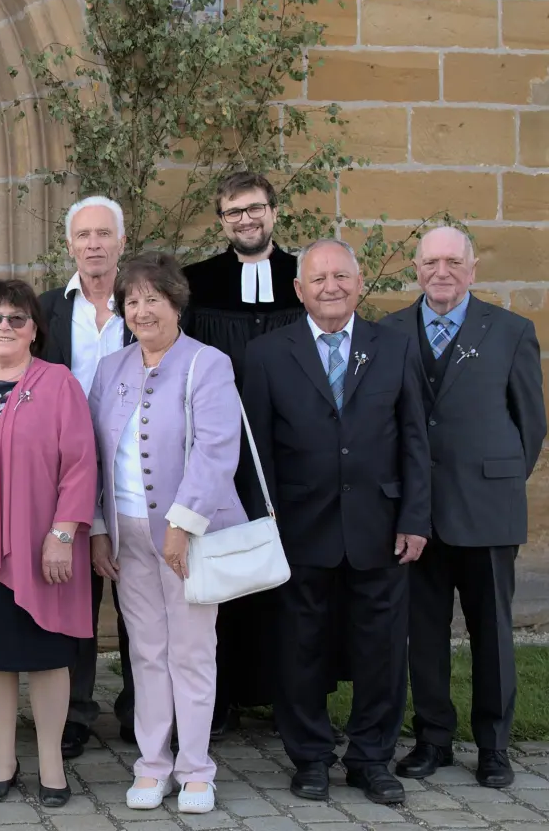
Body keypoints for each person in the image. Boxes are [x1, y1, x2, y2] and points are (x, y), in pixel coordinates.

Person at [241, 238, 431, 805]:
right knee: (301, 647)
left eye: (341, 277)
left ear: (358, 282)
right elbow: (256, 452)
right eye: (318, 278)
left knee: (381, 650)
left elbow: (416, 440)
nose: (330, 287)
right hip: (299, 527)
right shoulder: (268, 354)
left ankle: (372, 758)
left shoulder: (394, 347)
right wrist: (262, 522)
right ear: (298, 290)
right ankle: (311, 757)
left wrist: (415, 516)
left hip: (380, 525)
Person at [384, 227, 546, 789]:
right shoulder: (390, 333)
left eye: (454, 261)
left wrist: (494, 483)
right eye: (431, 262)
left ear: (473, 269)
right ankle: (433, 739)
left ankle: (494, 745)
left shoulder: (510, 331)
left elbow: (530, 426)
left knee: (493, 633)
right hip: (416, 516)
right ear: (417, 268)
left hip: (486, 508)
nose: (442, 272)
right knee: (422, 633)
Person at [87, 253, 244, 815]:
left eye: (154, 298)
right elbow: (95, 459)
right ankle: (153, 764)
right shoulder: (110, 370)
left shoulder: (209, 363)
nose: (142, 309)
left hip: (187, 535)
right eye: (132, 300)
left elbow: (217, 451)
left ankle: (197, 767)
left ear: (176, 302)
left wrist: (182, 525)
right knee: (147, 654)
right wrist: (100, 529)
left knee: (193, 652)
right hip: (125, 532)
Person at [0, 279, 96, 809]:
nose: (3, 327)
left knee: (49, 653)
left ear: (35, 329)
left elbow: (80, 463)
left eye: (16, 319)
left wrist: (62, 534)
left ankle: (51, 761)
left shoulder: (57, 382)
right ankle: (2, 759)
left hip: (42, 544)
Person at [180, 171, 306, 732]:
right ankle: (223, 697)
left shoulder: (307, 276)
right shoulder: (197, 283)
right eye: (234, 212)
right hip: (221, 451)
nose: (246, 220)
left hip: (293, 449)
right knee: (224, 567)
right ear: (222, 220)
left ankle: (290, 697)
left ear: (274, 212)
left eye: (255, 209)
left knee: (289, 573)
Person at [36, 196, 136, 758]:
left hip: (134, 469)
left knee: (138, 594)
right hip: (68, 473)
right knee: (73, 596)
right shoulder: (50, 308)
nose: (94, 244)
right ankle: (74, 711)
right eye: (84, 235)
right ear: (69, 245)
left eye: (104, 234)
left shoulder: (144, 303)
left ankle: (141, 708)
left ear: (121, 242)